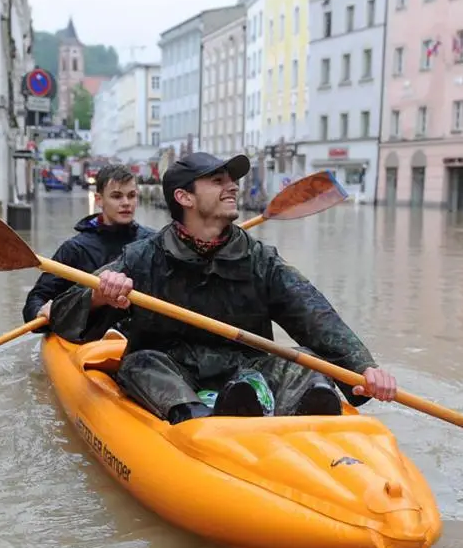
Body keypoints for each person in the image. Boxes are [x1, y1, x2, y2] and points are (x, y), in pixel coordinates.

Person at [48, 151, 399, 424]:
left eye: (231, 180)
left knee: (309, 365)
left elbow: (314, 313)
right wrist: (100, 293)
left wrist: (363, 368)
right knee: (141, 363)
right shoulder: (142, 257)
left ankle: (290, 411)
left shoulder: (260, 259)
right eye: (218, 181)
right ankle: (199, 422)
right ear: (184, 197)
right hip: (172, 368)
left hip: (245, 368)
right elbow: (64, 313)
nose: (233, 187)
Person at [22, 163, 155, 327]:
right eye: (116, 196)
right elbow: (36, 299)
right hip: (91, 340)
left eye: (131, 195)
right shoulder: (75, 249)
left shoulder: (153, 242)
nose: (126, 202)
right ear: (99, 199)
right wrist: (40, 310)